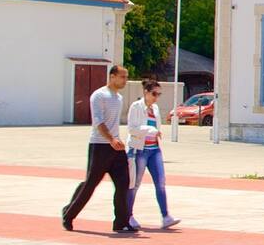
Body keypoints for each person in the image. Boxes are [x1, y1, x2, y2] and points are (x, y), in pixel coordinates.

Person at [60, 64, 136, 234]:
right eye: (123, 77)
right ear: (112, 76)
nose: (125, 80)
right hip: (100, 146)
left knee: (123, 184)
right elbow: (98, 121)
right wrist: (111, 139)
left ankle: (121, 222)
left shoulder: (119, 98)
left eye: (126, 77)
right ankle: (68, 215)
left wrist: (116, 141)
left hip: (116, 148)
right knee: (90, 184)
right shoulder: (99, 95)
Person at [125, 79, 181, 230]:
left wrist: (156, 135)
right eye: (154, 93)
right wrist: (151, 131)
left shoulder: (155, 109)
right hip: (139, 150)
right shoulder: (136, 107)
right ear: (146, 92)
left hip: (154, 149)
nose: (156, 97)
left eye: (159, 94)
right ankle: (128, 216)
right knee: (134, 184)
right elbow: (132, 129)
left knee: (160, 182)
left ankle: (166, 216)